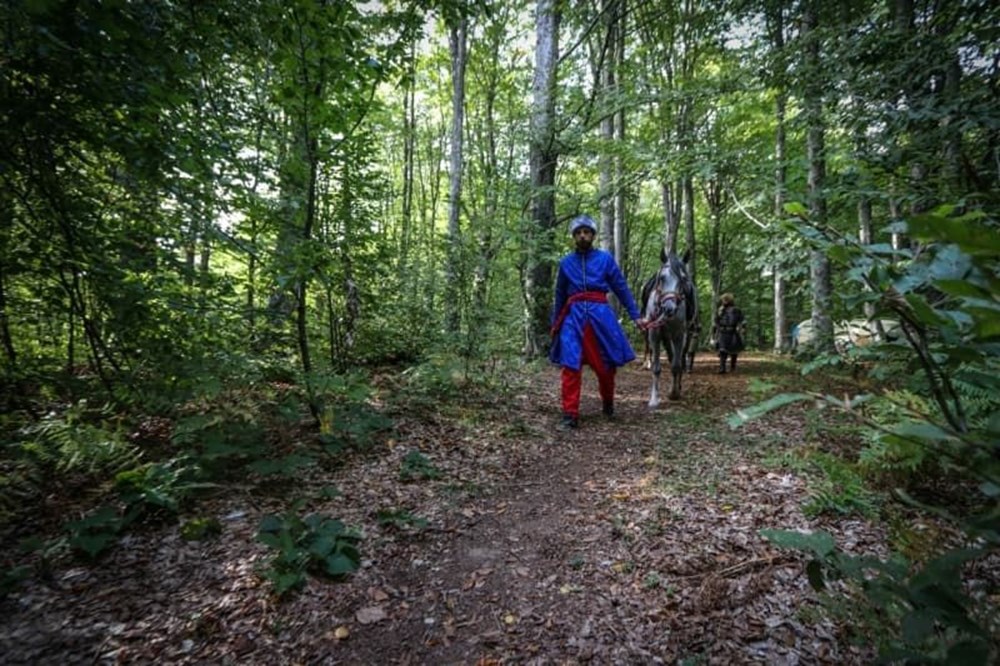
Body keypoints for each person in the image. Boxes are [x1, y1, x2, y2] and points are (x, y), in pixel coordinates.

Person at [549, 214, 645, 430]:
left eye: (587, 232)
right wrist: (555, 324)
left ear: (592, 235)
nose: (583, 236)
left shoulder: (605, 259)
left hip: (600, 315)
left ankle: (608, 401)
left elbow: (621, 287)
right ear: (574, 236)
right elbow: (559, 295)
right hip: (573, 317)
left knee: (605, 366)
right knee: (570, 364)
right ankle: (570, 414)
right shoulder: (565, 263)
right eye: (579, 233)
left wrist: (636, 315)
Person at [712, 293, 745, 373]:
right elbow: (716, 322)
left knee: (734, 351)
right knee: (722, 351)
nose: (724, 301)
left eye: (726, 300)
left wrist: (742, 329)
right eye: (724, 300)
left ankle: (733, 368)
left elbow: (742, 320)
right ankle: (722, 368)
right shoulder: (720, 310)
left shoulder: (736, 310)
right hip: (722, 332)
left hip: (733, 332)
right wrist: (714, 333)